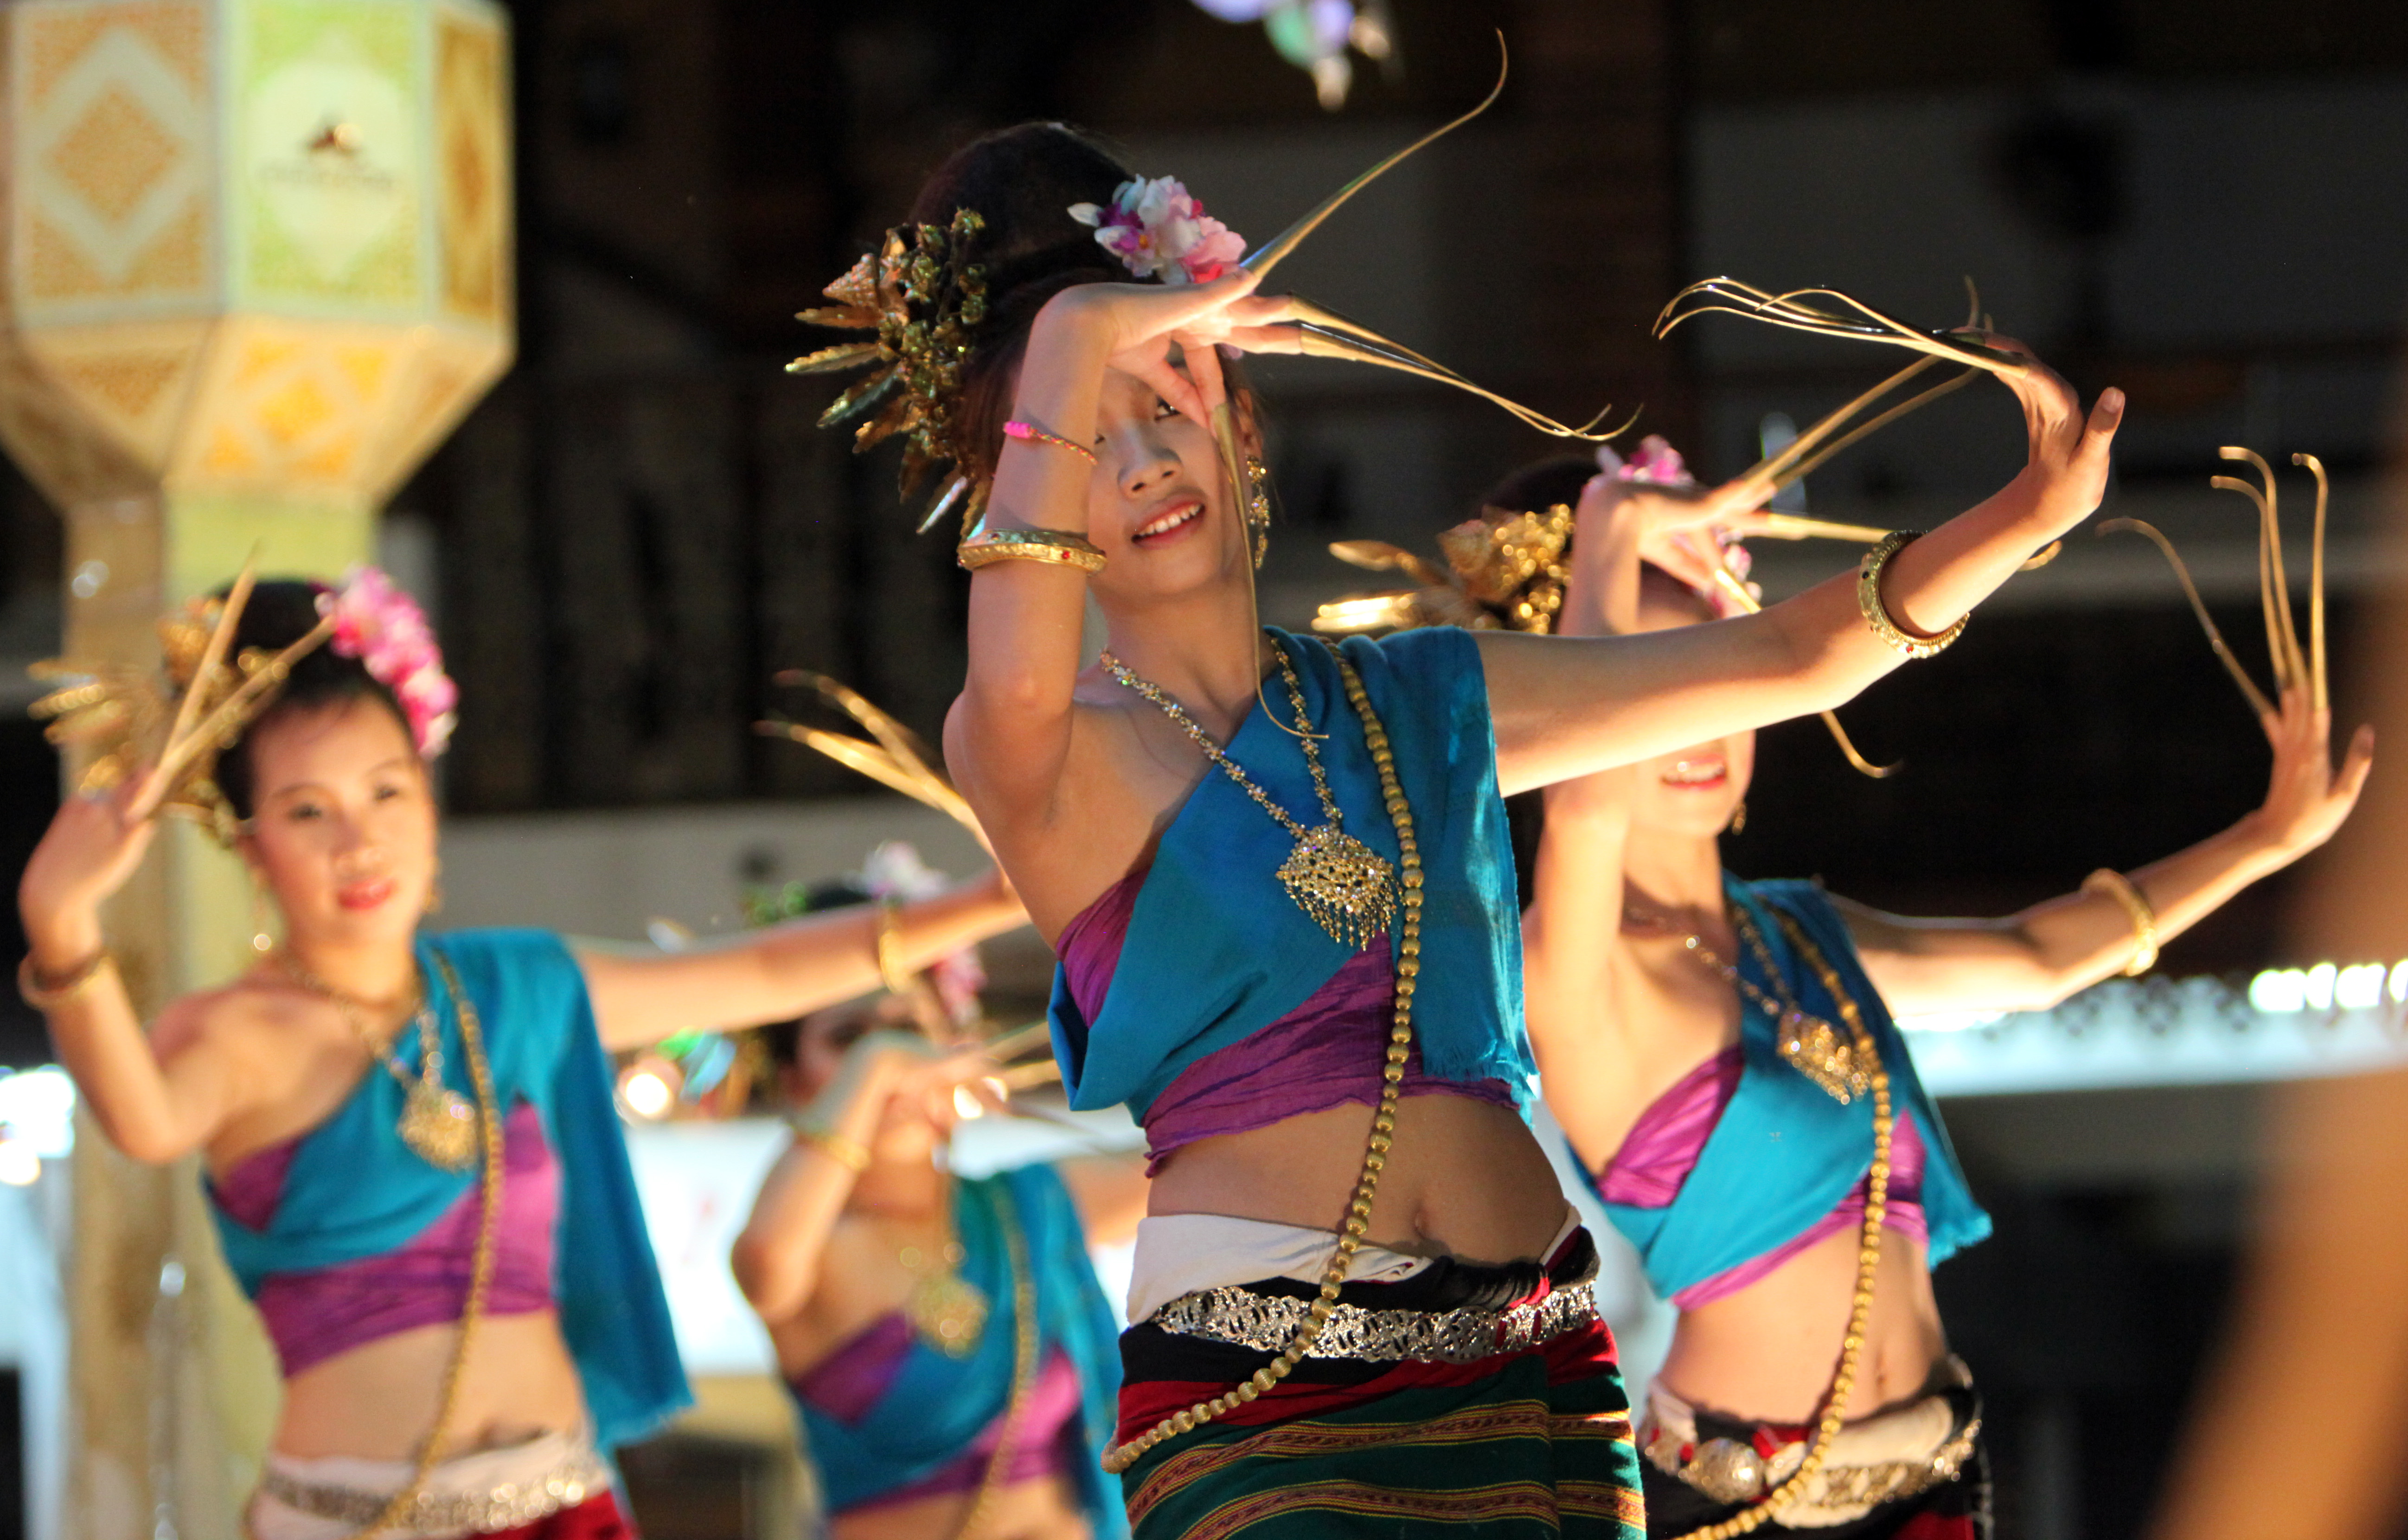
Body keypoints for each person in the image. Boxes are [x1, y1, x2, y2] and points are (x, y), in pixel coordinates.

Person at [795, 120, 2119, 1536]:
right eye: (1083, 436)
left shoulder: (1422, 700)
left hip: (1536, 1367)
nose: (1138, 464)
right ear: (1023, 493)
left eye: (1167, 407)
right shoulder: (1038, 749)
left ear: (1241, 421)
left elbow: (1785, 662)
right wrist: (1087, 323)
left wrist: (2023, 519)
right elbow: (1011, 651)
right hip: (1267, 1385)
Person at [1460, 449, 2370, 1537]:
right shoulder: (1574, 967)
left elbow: (2037, 955)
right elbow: (1590, 812)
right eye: (1655, 682)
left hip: (1940, 1476)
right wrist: (1608, 527)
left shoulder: (1799, 933)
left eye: (1716, 674)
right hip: (1749, 1510)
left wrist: (2265, 842)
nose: (1694, 725)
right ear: (1599, 702)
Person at [15, 573, 1028, 1539]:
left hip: (562, 1500)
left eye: (386, 792)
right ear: (249, 843)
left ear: (427, 799)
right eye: (307, 811)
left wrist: (981, 904)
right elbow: (143, 1117)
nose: (359, 843)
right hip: (357, 1518)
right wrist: (61, 926)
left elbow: (756, 975)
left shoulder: (513, 990)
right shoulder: (235, 1033)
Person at [733, 862, 1145, 1540]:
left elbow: (1212, 1157)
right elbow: (763, 1261)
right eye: (850, 1039)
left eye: (906, 1030)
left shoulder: (1029, 1206)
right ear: (793, 1082)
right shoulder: (804, 1247)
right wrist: (879, 1071)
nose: (889, 1057)